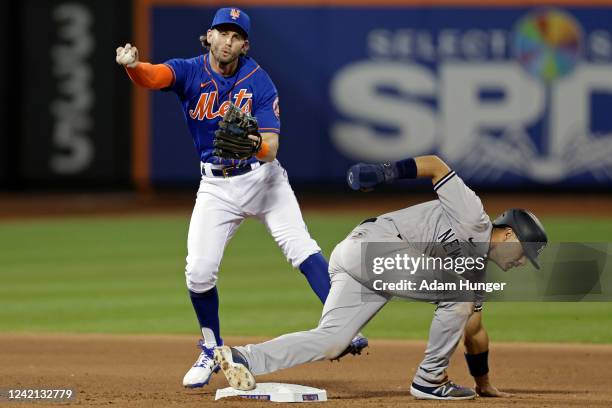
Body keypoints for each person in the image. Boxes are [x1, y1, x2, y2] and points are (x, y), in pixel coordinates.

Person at [115, 7, 366, 388]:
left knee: (302, 248)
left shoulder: (259, 81)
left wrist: (252, 146)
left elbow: (271, 148)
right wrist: (134, 66)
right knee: (198, 272)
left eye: (236, 36)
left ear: (244, 44)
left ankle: (345, 326)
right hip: (216, 187)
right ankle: (211, 350)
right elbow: (154, 76)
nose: (228, 40)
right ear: (209, 36)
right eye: (223, 33)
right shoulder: (189, 70)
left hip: (264, 182)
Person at [212, 155, 548, 400]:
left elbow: (473, 331)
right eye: (525, 254)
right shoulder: (474, 216)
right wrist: (385, 173)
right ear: (509, 235)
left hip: (359, 260)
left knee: (333, 341)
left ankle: (244, 357)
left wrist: (483, 383)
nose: (522, 263)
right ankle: (430, 380)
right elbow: (435, 165)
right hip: (373, 248)